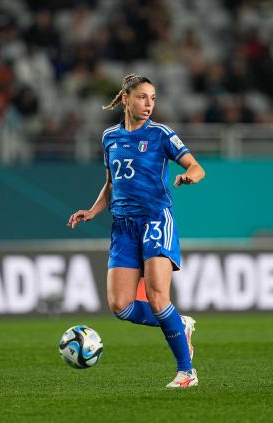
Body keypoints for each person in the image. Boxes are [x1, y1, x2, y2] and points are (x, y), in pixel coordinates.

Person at [67, 74, 205, 388]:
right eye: (143, 97)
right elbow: (112, 184)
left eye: (153, 98)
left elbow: (196, 166)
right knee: (121, 305)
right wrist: (92, 210)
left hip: (156, 219)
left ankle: (187, 372)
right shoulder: (109, 137)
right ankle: (179, 323)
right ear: (126, 99)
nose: (149, 104)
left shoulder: (161, 134)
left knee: (157, 297)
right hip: (123, 227)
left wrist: (190, 177)